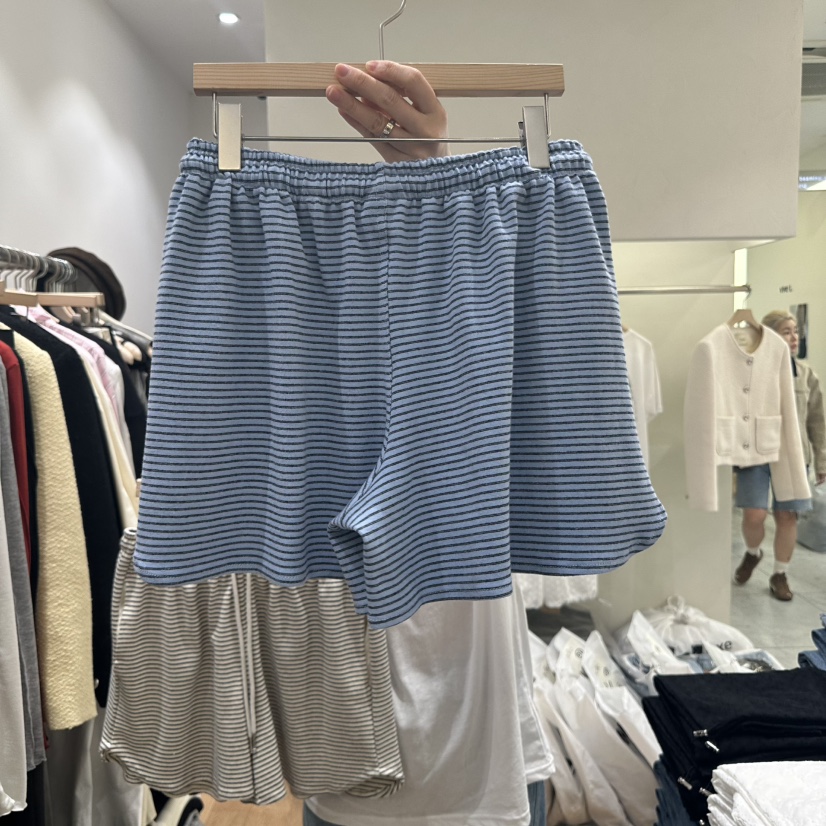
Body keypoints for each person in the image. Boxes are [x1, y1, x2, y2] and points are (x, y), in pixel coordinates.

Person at [298, 62, 552, 826]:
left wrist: (436, 177)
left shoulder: (471, 359)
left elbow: (468, 305)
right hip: (356, 764)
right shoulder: (310, 364)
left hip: (485, 755)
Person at [733, 309, 826, 601]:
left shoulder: (806, 375)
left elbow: (817, 421)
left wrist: (822, 460)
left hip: (795, 455)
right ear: (770, 336)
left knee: (787, 516)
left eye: (796, 331)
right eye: (786, 331)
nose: (794, 337)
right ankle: (753, 553)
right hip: (756, 453)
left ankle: (779, 574)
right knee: (754, 514)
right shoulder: (750, 370)